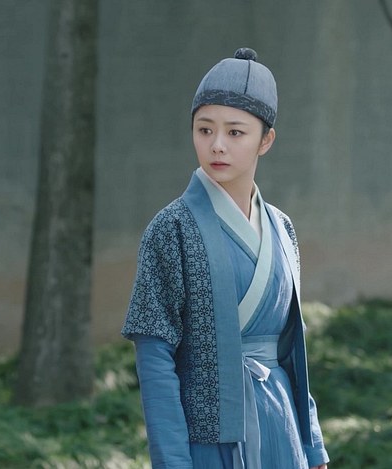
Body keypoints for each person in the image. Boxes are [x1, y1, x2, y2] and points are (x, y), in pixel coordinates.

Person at [121, 47, 330, 469]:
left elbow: (293, 349)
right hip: (210, 442)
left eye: (235, 133)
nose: (217, 146)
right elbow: (155, 360)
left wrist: (313, 447)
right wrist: (173, 463)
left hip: (282, 431)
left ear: (265, 140)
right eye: (204, 130)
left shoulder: (282, 228)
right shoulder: (170, 229)